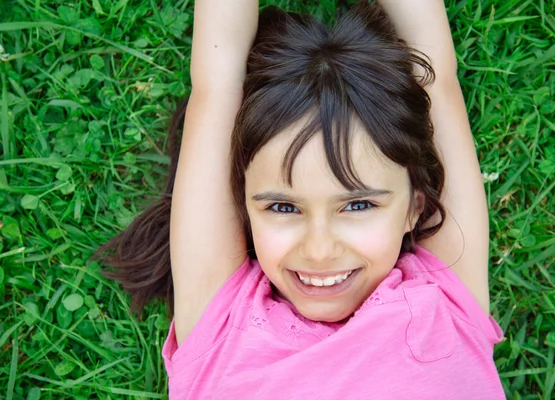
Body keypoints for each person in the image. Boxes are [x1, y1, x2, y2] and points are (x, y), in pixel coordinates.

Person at [97, 0, 505, 398]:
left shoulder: (446, 300)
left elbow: (436, 79)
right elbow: (215, 86)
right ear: (240, 208)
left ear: (415, 208)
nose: (319, 250)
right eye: (283, 207)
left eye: (358, 205)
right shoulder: (220, 324)